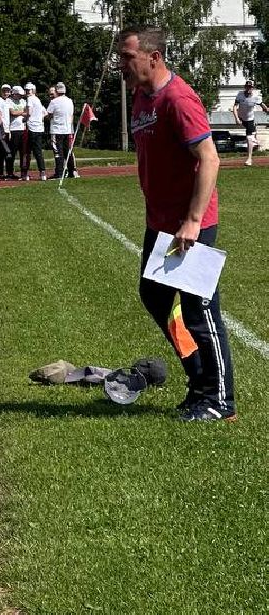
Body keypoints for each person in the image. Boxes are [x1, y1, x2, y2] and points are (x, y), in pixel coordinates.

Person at [116, 27, 235, 421]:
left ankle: (220, 400)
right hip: (160, 223)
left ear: (154, 57)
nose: (122, 65)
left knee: (200, 309)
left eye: (128, 58)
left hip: (189, 226)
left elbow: (210, 158)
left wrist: (193, 221)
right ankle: (199, 380)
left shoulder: (178, 99)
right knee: (154, 297)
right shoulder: (140, 97)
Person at [47, 82, 76, 179]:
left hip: (57, 130)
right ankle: (72, 171)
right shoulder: (69, 101)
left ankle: (59, 173)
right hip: (68, 130)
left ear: (57, 91)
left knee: (58, 152)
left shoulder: (54, 102)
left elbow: (49, 115)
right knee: (68, 151)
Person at [232, 78, 264, 166]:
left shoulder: (256, 96)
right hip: (241, 117)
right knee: (250, 137)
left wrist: (266, 109)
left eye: (250, 87)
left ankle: (249, 159)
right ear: (245, 87)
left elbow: (262, 105)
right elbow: (234, 107)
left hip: (250, 119)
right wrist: (236, 118)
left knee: (249, 138)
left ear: (252, 88)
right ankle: (254, 140)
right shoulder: (240, 94)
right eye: (247, 86)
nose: (248, 88)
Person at [24, 81, 47, 181]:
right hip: (39, 128)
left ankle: (26, 173)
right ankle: (42, 173)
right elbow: (45, 113)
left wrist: (24, 118)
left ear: (33, 90)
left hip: (32, 128)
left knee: (27, 151)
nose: (27, 92)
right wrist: (39, 118)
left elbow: (29, 112)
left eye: (29, 90)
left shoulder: (30, 99)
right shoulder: (38, 100)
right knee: (38, 151)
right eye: (26, 90)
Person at [0, 83, 15, 180]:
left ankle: (4, 173)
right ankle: (4, 173)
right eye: (4, 91)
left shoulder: (8, 101)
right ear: (1, 91)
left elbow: (12, 112)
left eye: (8, 91)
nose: (6, 93)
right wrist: (3, 131)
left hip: (6, 129)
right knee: (6, 152)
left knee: (2, 152)